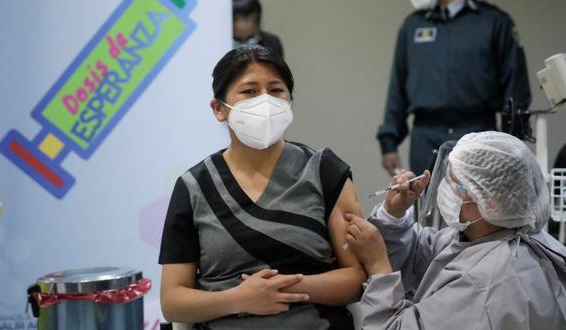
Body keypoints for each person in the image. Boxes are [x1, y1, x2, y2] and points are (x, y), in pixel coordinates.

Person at [158, 45, 366, 329]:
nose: (265, 101)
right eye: (249, 91)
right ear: (219, 109)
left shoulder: (324, 171)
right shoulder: (194, 187)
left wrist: (288, 287)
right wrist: (238, 299)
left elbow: (358, 277)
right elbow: (172, 301)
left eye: (276, 90)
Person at [346, 131, 566, 329]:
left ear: (491, 204)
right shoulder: (496, 235)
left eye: (455, 183)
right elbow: (426, 253)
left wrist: (378, 267)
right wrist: (393, 215)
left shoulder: (483, 284)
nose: (445, 187)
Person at [377, 0, 531, 176]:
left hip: (477, 132)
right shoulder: (414, 25)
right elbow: (398, 87)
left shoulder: (494, 21)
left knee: (476, 200)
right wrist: (389, 141)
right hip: (426, 136)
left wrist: (511, 146)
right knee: (426, 200)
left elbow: (516, 88)